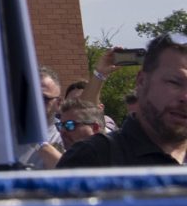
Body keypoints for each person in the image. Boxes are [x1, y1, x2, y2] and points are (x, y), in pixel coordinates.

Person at [57, 35, 186, 169]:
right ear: (142, 81)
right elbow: (84, 109)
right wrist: (99, 74)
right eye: (174, 82)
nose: (185, 97)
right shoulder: (92, 158)